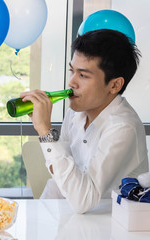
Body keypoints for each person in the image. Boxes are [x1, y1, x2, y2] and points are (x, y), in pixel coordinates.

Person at [20, 29, 149, 213]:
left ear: (114, 85)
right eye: (72, 70)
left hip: (111, 227)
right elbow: (60, 178)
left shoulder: (123, 127)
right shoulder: (75, 112)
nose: (72, 82)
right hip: (72, 219)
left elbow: (83, 201)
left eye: (83, 75)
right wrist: (38, 216)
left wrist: (46, 133)